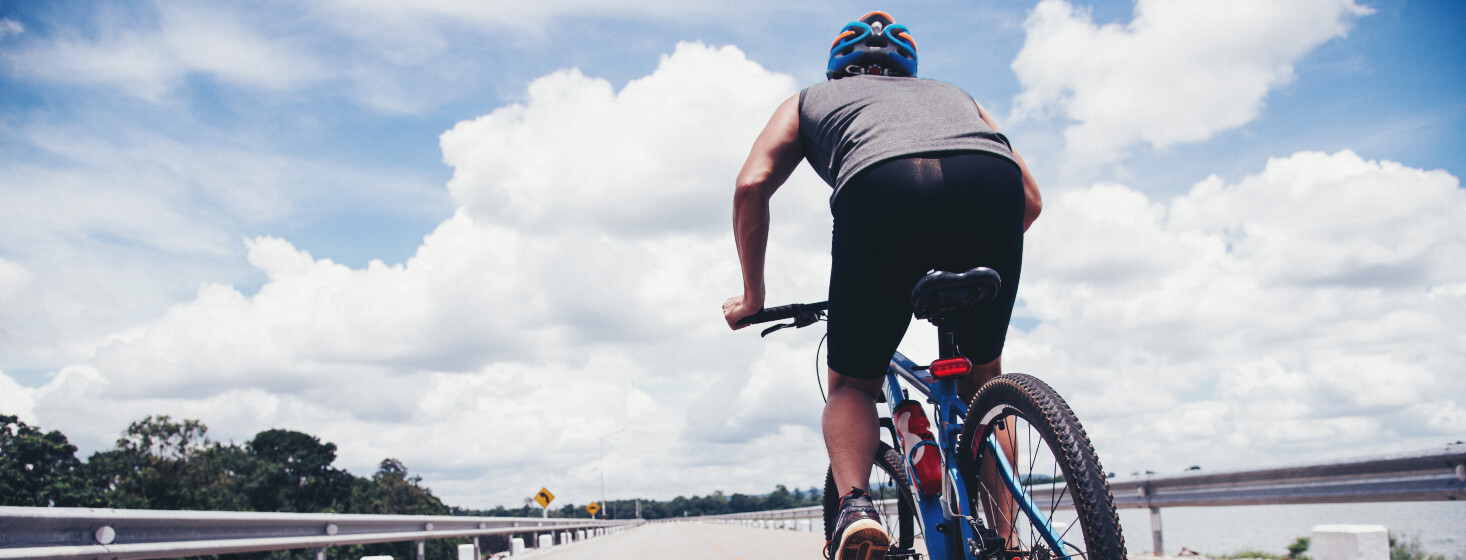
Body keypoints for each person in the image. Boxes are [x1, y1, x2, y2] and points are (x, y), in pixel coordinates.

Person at [722, 11, 1042, 560]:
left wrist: (753, 298)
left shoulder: (808, 99)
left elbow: (752, 183)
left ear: (837, 69)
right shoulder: (954, 94)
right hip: (993, 185)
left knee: (851, 385)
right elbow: (1031, 203)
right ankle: (1011, 539)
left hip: (880, 189)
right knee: (984, 380)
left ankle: (854, 509)